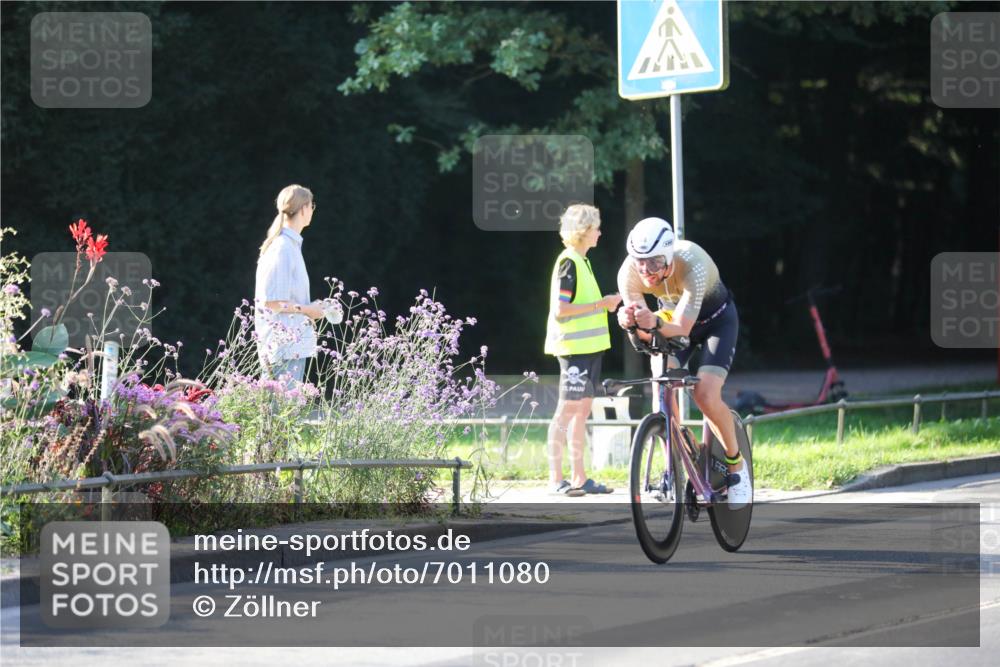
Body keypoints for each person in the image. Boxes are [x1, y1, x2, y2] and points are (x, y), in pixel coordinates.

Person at [616, 217, 751, 508]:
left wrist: (651, 323)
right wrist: (630, 324)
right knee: (661, 387)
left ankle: (736, 465)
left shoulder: (693, 264)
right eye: (640, 262)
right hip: (669, 321)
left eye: (654, 263)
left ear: (668, 257)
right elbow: (645, 336)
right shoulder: (628, 273)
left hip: (715, 323)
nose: (646, 271)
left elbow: (681, 329)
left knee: (705, 395)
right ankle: (677, 461)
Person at [544, 204, 623, 496]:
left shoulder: (582, 261)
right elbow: (561, 309)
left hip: (590, 350)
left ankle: (580, 477)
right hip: (574, 350)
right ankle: (556, 479)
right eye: (596, 228)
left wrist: (604, 303)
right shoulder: (569, 262)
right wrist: (602, 304)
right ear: (584, 231)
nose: (600, 233)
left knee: (582, 411)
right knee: (566, 411)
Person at [254, 184, 326, 386]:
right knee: (279, 406)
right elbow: (272, 302)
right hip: (282, 349)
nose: (312, 211)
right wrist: (309, 310)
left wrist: (312, 308)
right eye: (312, 206)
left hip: (289, 347)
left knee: (284, 405)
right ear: (303, 209)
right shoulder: (283, 248)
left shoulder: (289, 246)